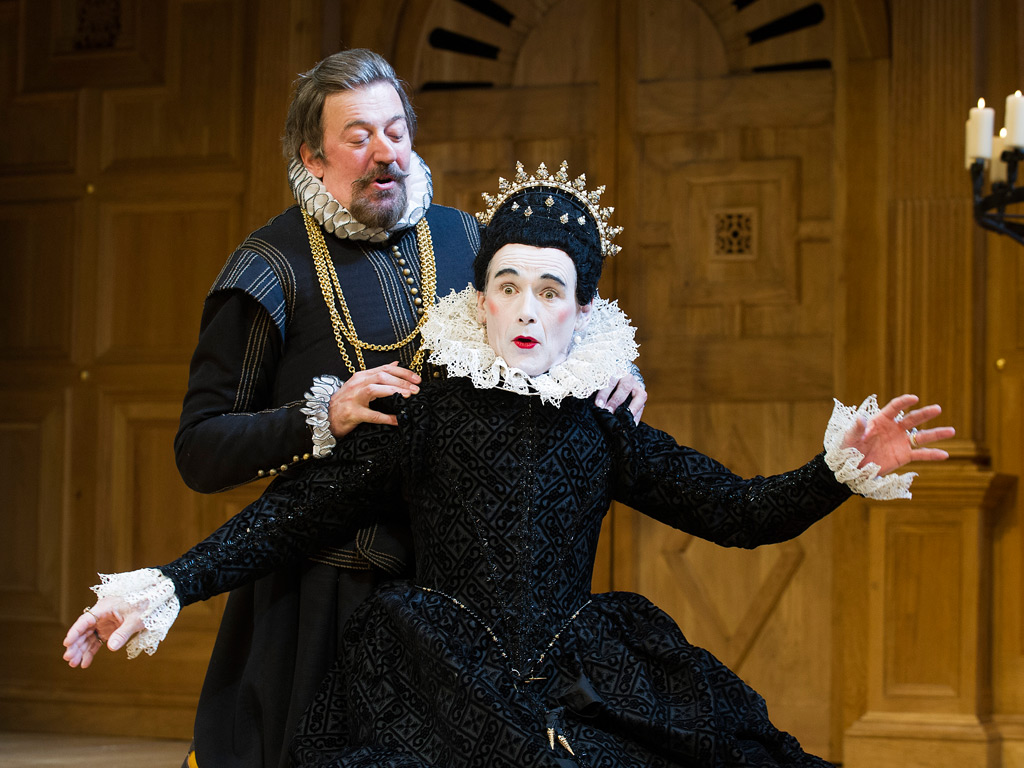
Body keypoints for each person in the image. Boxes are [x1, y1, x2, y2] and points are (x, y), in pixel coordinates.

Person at [65, 162, 952, 767]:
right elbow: (292, 513)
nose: (527, 307)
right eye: (510, 284)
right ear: (480, 297)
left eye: (551, 289)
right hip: (435, 673)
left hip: (578, 671)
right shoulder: (423, 412)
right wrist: (166, 585)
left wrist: (837, 469)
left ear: (582, 315)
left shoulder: (602, 422)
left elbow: (739, 512)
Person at [171, 49, 646, 768]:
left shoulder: (465, 240)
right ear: (313, 154)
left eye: (395, 131)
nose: (384, 153)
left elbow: (556, 319)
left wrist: (616, 371)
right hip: (317, 603)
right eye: (359, 136)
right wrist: (320, 417)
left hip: (458, 600)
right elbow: (199, 451)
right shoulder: (266, 271)